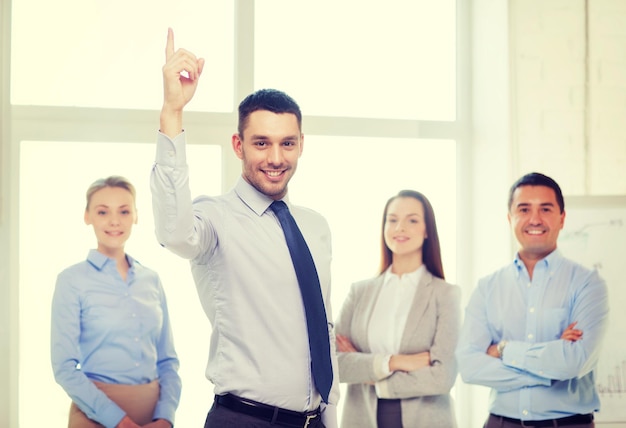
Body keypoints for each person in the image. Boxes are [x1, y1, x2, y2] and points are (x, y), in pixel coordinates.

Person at [150, 28, 339, 428]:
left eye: (287, 143)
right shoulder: (215, 218)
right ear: (238, 145)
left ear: (302, 144)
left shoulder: (315, 226)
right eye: (261, 143)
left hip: (315, 420)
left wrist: (330, 413)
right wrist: (172, 112)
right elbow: (173, 232)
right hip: (244, 419)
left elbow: (321, 326)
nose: (275, 157)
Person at [456, 172, 609, 428]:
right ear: (510, 218)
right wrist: (550, 367)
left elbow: (575, 362)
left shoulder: (588, 283)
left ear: (562, 218)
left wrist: (503, 349)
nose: (534, 219)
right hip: (500, 423)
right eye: (524, 209)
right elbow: (469, 366)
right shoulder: (487, 287)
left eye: (545, 209)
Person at [51, 176, 181, 428]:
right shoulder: (71, 280)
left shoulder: (151, 280)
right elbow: (64, 367)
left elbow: (168, 361)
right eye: (102, 211)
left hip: (153, 417)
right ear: (87, 216)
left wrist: (166, 417)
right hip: (94, 415)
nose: (114, 221)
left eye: (124, 211)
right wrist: (118, 421)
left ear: (136, 215)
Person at [335, 190, 461, 428]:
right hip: (362, 418)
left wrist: (374, 378)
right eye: (392, 220)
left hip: (426, 419)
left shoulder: (446, 295)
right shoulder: (358, 292)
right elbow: (334, 364)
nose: (400, 227)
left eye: (412, 220)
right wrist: (394, 362)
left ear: (427, 231)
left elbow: (443, 377)